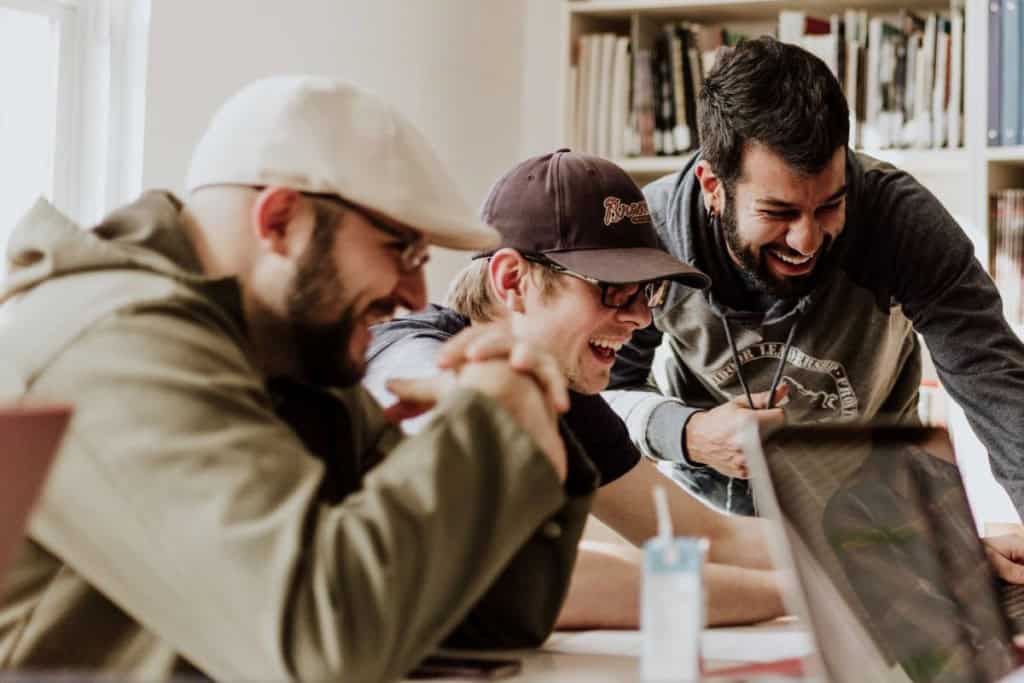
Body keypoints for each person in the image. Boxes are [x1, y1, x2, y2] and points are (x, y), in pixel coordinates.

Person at [0, 76, 597, 681]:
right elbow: (320, 646)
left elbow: (484, 617)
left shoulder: (288, 353)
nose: (416, 294)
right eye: (402, 252)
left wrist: (521, 410)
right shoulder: (117, 343)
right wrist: (489, 420)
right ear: (280, 219)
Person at [365, 149, 788, 628]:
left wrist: (860, 557)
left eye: (647, 292)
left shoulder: (560, 391)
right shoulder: (409, 358)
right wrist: (798, 595)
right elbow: (525, 575)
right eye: (614, 289)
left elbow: (704, 536)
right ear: (513, 281)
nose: (642, 318)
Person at [606, 36, 1024, 518]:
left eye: (829, 205)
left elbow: (995, 380)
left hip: (877, 506)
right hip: (710, 510)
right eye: (777, 212)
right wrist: (686, 433)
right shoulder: (651, 237)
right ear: (712, 187)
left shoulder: (899, 220)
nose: (806, 241)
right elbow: (603, 395)